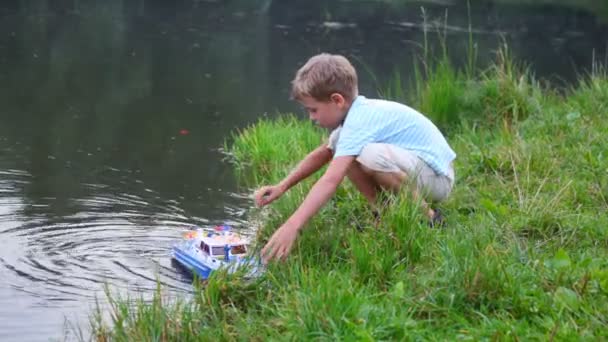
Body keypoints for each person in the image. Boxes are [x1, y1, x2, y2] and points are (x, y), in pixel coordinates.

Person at [255, 53, 456, 263]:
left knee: (370, 155)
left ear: (337, 100)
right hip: (420, 174)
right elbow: (323, 153)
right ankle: (384, 214)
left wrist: (292, 226)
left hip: (438, 179)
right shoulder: (354, 119)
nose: (311, 117)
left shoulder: (361, 120)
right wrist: (282, 186)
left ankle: (430, 219)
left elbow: (330, 180)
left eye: (313, 110)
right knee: (345, 153)